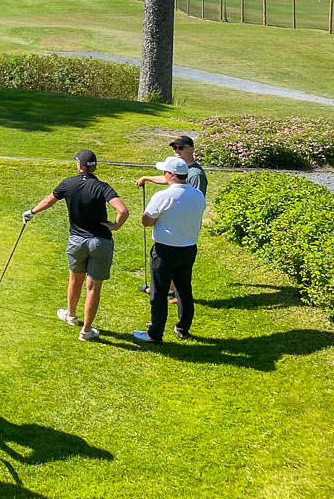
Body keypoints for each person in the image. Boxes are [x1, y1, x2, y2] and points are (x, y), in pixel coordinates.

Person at [24, 150, 129, 341]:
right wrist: (115, 226)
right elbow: (122, 211)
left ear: (79, 165)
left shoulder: (68, 183)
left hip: (76, 242)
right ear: (94, 166)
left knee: (75, 280)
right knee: (93, 287)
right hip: (100, 242)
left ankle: (71, 315)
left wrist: (31, 212)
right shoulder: (102, 187)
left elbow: (49, 200)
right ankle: (86, 331)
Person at [133, 156, 206, 344]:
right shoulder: (198, 195)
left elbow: (146, 221)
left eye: (164, 172)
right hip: (188, 249)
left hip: (165, 250)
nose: (163, 175)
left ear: (172, 175)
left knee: (158, 292)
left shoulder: (163, 196)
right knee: (184, 289)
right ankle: (183, 328)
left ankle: (155, 334)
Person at [136, 135, 206, 195]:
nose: (177, 151)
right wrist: (146, 178)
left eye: (181, 148)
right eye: (174, 148)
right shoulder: (179, 167)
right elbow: (168, 178)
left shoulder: (196, 174)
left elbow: (198, 200)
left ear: (192, 149)